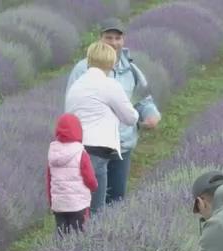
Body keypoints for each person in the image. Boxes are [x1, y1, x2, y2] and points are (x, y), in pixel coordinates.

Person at [65, 18, 161, 208]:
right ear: (100, 39)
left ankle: (107, 236)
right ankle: (89, 236)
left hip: (122, 146)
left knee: (116, 201)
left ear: (123, 40)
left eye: (118, 38)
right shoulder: (82, 70)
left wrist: (151, 114)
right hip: (90, 147)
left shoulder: (131, 69)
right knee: (92, 204)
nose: (114, 42)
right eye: (109, 37)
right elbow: (71, 110)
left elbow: (143, 99)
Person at [65, 41, 139, 214]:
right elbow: (131, 117)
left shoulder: (77, 84)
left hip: (73, 150)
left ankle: (68, 239)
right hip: (96, 152)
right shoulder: (109, 85)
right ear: (112, 63)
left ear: (89, 61)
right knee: (96, 211)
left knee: (75, 207)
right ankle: (89, 240)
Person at [46, 113, 98, 236]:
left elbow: (49, 179)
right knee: (78, 235)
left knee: (62, 235)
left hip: (59, 205)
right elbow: (89, 177)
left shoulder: (53, 152)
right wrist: (94, 186)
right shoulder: (80, 152)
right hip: (78, 204)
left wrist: (51, 201)